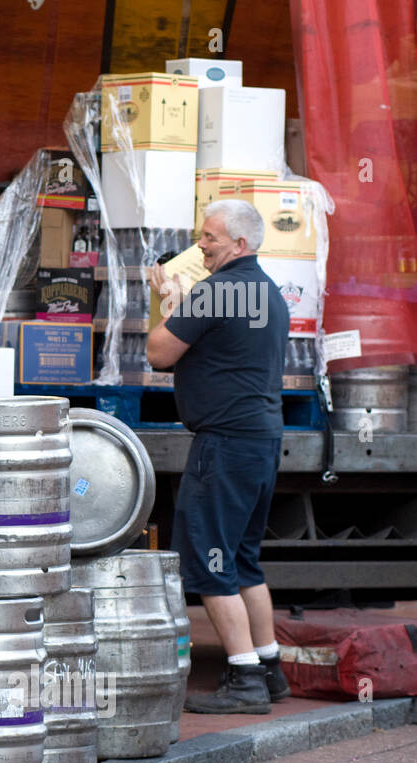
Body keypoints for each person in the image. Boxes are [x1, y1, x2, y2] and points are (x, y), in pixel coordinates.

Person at [145, 199, 292, 714]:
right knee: (244, 560)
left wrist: (164, 302)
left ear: (240, 245)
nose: (200, 245)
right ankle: (270, 668)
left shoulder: (217, 292)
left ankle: (245, 680)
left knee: (209, 563)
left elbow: (159, 352)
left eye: (209, 237)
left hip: (224, 446)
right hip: (261, 441)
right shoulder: (267, 293)